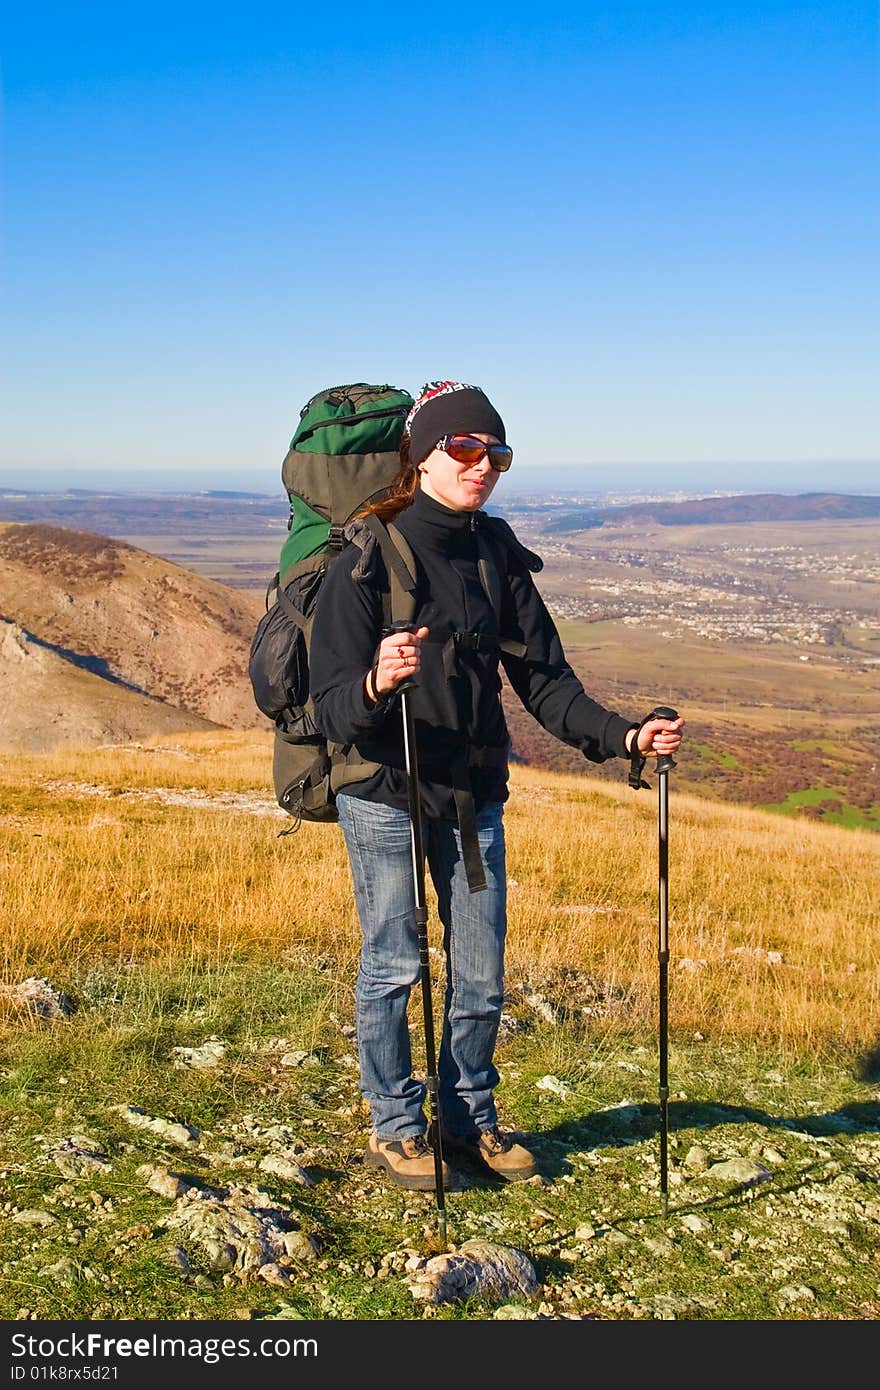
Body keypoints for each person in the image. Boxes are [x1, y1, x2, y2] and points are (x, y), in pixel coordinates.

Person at [309, 380, 685, 1190]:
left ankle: (468, 1116)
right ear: (424, 455)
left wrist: (622, 736)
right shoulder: (366, 558)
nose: (482, 465)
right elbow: (331, 710)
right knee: (395, 963)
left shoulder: (494, 554)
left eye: (496, 454)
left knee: (479, 974)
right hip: (385, 790)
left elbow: (546, 681)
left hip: (473, 790)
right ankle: (396, 1125)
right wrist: (376, 680)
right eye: (465, 449)